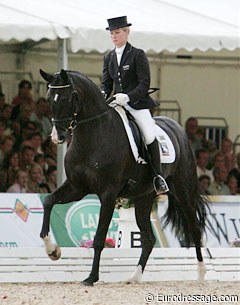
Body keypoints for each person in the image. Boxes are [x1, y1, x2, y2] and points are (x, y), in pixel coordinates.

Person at [101, 16, 168, 195]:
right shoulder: (108, 57)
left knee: (148, 134)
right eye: (112, 33)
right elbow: (106, 85)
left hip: (137, 104)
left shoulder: (137, 54)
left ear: (126, 32)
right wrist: (102, 98)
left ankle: (158, 177)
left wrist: (128, 97)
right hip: (117, 104)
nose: (114, 36)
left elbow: (144, 84)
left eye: (117, 33)